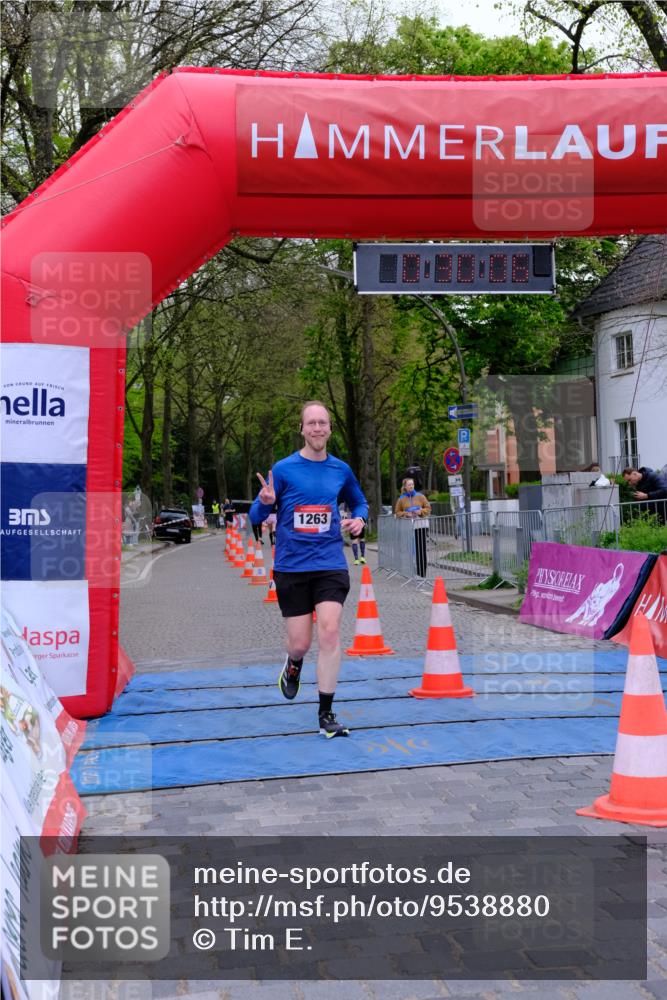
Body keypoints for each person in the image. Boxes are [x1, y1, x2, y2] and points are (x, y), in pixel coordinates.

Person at [250, 400, 368, 738]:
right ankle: (293, 664)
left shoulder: (340, 470)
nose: (317, 428)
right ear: (302, 430)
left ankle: (326, 713)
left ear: (330, 428)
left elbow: (359, 501)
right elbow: (256, 518)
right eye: (311, 423)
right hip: (291, 567)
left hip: (330, 562)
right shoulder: (284, 470)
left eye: (323, 422)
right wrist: (266, 502)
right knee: (300, 643)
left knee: (329, 632)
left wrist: (360, 518)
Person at [395, 477, 431, 577]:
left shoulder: (420, 496)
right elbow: (397, 512)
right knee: (410, 549)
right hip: (408, 526)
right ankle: (412, 572)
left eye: (412, 484)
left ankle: (422, 573)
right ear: (405, 487)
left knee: (421, 549)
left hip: (420, 525)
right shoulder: (401, 499)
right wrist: (406, 514)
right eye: (409, 485)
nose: (411, 486)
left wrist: (420, 511)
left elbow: (428, 508)